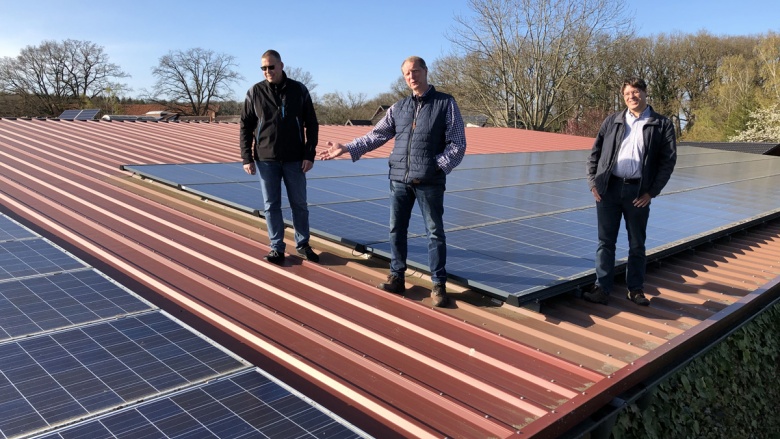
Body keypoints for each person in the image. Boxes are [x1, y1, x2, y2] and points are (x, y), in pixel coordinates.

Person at [319, 56, 466, 307]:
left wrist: (437, 166)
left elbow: (458, 143)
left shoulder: (445, 103)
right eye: (407, 73)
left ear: (426, 72)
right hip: (399, 178)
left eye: (416, 71)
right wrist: (347, 147)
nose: (411, 77)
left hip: (429, 181)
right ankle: (397, 277)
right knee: (397, 229)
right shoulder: (398, 107)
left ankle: (438, 285)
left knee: (434, 233)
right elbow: (376, 135)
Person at [584, 77, 677, 306]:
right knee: (605, 242)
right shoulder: (612, 121)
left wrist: (651, 192)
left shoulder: (661, 124)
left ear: (645, 93)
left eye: (635, 92)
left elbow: (668, 162)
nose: (631, 97)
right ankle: (602, 289)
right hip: (609, 189)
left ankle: (635, 290)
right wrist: (593, 184)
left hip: (638, 193)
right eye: (627, 94)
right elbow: (594, 154)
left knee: (637, 243)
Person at [240, 49, 319, 265]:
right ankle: (277, 248)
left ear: (281, 65)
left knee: (299, 204)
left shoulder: (299, 90)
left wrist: (309, 154)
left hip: (295, 158)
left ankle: (303, 244)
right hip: (266, 159)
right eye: (263, 68)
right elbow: (245, 126)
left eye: (271, 67)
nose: (267, 71)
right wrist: (247, 157)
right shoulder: (254, 92)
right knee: (271, 205)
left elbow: (311, 124)